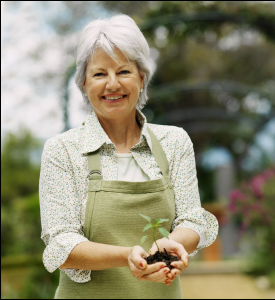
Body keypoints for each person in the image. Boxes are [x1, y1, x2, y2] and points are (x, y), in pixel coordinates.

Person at [39, 14, 219, 299]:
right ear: (84, 84)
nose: (112, 84)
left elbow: (194, 220)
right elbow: (60, 246)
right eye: (99, 74)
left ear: (141, 78)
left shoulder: (174, 142)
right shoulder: (62, 150)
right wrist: (127, 257)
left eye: (123, 72)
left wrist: (169, 248)